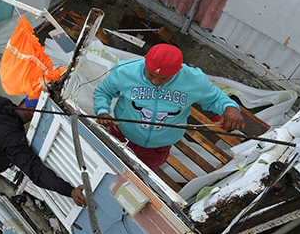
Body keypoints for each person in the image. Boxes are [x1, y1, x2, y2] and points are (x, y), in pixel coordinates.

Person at [93, 44, 244, 170]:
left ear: (178, 71)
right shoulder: (124, 71)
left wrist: (231, 108)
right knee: (104, 165)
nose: (154, 82)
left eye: (163, 79)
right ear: (145, 62)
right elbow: (103, 92)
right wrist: (102, 112)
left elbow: (216, 98)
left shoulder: (194, 80)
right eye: (150, 74)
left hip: (158, 146)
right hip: (122, 134)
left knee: (139, 174)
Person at [0, 97, 86, 233]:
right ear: (34, 113)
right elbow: (35, 171)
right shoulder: (12, 138)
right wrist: (69, 190)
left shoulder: (0, 102)